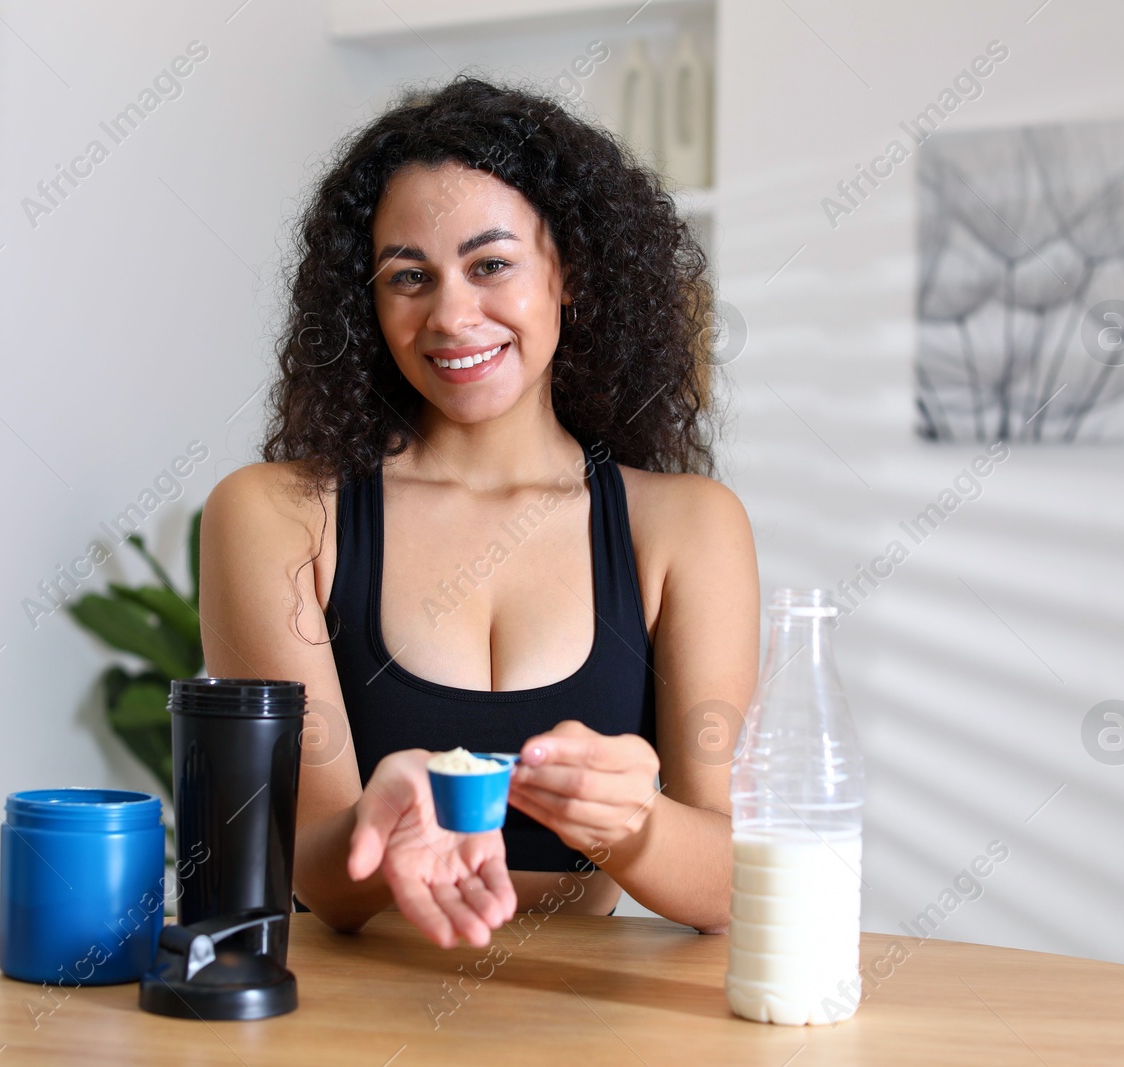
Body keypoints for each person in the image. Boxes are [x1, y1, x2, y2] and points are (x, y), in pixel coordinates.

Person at [199, 77, 758, 949]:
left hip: (586, 1017)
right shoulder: (277, 517)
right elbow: (319, 877)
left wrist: (635, 821)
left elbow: (728, 884)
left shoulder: (688, 527)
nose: (453, 316)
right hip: (356, 1015)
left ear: (569, 273)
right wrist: (374, 824)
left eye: (491, 264)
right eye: (408, 277)